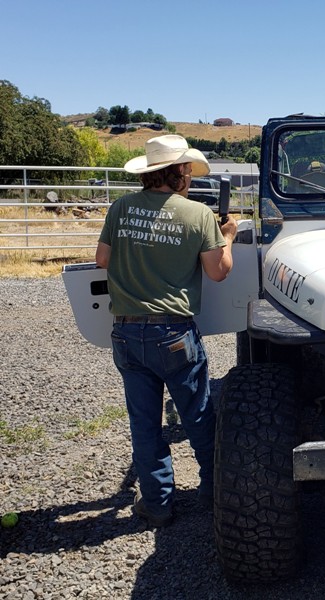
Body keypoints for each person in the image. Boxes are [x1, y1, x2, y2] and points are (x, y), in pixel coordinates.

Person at [95, 134, 238, 527]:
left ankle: (157, 503)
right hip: (174, 333)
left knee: (144, 423)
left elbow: (102, 259)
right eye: (188, 169)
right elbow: (218, 272)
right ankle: (213, 493)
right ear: (178, 172)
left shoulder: (121, 207)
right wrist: (227, 237)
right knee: (198, 416)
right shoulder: (197, 216)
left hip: (125, 331)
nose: (190, 176)